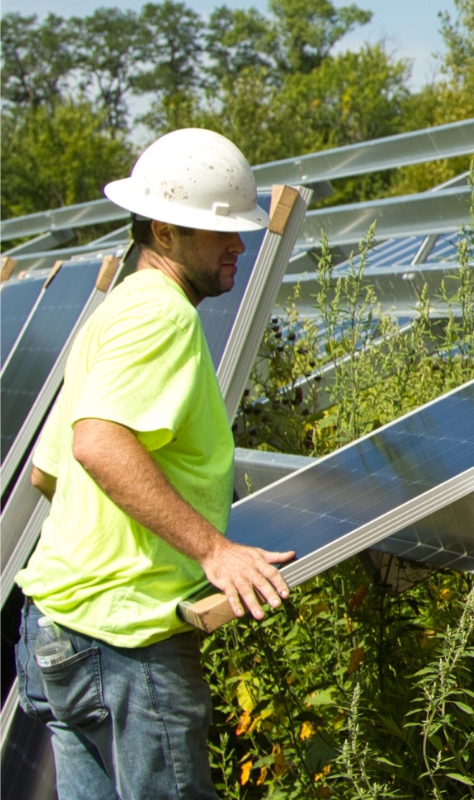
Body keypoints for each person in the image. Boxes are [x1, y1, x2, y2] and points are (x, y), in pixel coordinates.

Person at [15, 128, 296, 800]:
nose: (237, 245)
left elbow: (47, 473)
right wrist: (213, 549)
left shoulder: (113, 314)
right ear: (165, 231)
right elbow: (98, 444)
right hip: (125, 644)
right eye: (217, 231)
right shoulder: (161, 318)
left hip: (58, 628)